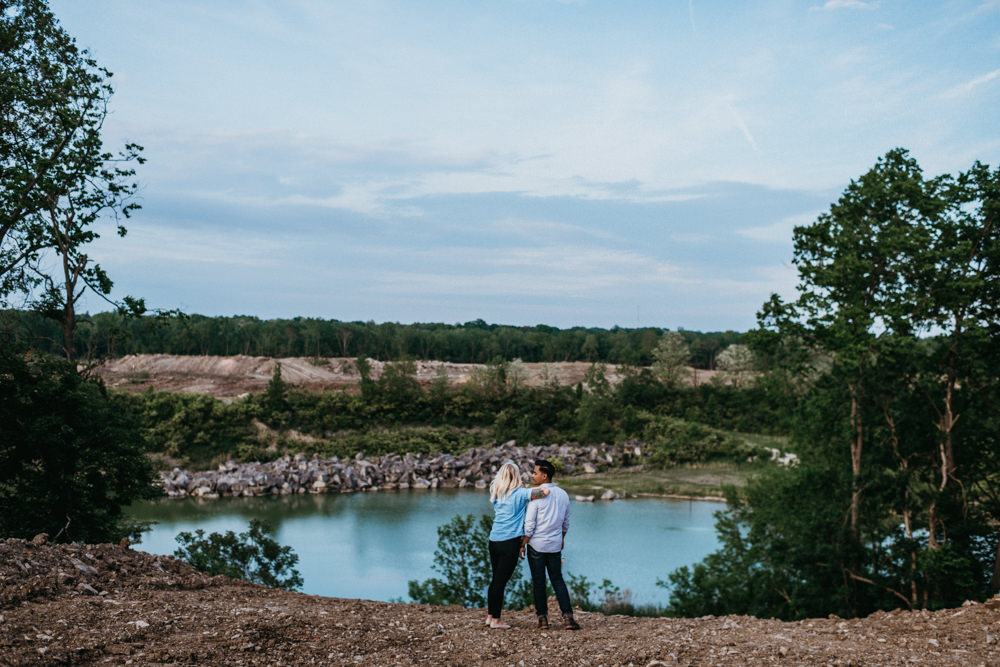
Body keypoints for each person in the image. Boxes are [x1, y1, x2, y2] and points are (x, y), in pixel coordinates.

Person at [486, 461, 548, 629]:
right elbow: (545, 491)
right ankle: (497, 620)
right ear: (516, 476)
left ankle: (491, 615)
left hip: (494, 541)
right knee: (501, 581)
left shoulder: (498, 493)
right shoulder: (521, 493)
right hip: (510, 542)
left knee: (496, 579)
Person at [520, 459, 580, 630]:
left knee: (539, 582)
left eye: (535, 473)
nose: (532, 476)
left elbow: (529, 525)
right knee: (558, 580)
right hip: (554, 545)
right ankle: (568, 618)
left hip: (537, 546)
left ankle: (543, 620)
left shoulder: (536, 494)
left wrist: (522, 544)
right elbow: (566, 522)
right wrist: (561, 538)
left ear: (544, 476)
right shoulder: (563, 494)